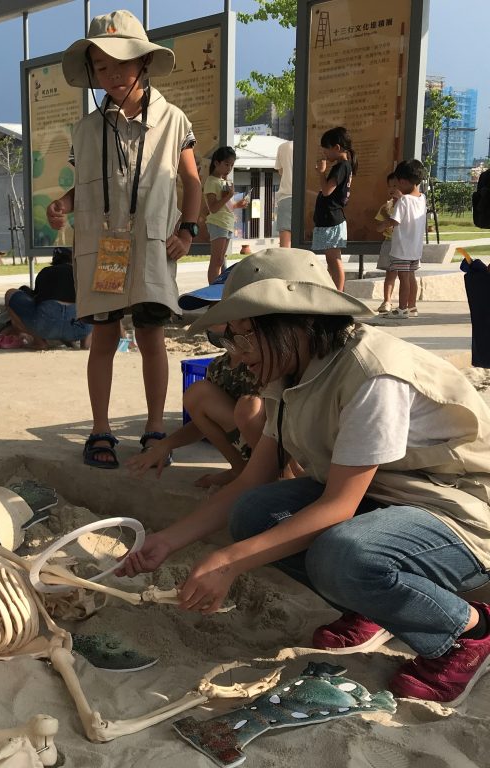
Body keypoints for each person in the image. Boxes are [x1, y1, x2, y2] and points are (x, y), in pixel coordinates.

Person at [119, 247, 490, 707]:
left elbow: (338, 507)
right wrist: (168, 540)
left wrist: (229, 563)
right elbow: (253, 480)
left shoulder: (371, 372)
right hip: (382, 497)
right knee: (256, 514)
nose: (236, 358)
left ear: (291, 324)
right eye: (229, 341)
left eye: (243, 338)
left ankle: (467, 632)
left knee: (344, 553)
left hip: (455, 507)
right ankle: (369, 607)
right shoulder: (291, 371)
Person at [46, 9, 201, 469]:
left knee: (152, 335)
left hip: (153, 244)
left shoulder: (174, 120)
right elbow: (89, 182)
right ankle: (100, 428)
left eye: (121, 62)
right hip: (103, 246)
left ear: (144, 63)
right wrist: (65, 204)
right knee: (104, 337)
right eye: (101, 66)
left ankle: (155, 428)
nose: (112, 74)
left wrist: (187, 230)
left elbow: (191, 181)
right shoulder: (88, 128)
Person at [126, 266, 263, 487]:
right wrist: (165, 445)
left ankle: (266, 474)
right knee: (197, 394)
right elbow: (205, 421)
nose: (212, 317)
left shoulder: (268, 360)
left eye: (221, 309)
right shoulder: (220, 366)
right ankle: (241, 470)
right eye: (212, 309)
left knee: (250, 408)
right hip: (251, 450)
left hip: (278, 451)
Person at [0, 247, 91, 350]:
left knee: (10, 293)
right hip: (79, 329)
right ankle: (85, 344)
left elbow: (36, 300)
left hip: (45, 326)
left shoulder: (46, 271)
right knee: (93, 305)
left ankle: (40, 342)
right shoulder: (82, 274)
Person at [380, 160, 427, 319]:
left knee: (403, 278)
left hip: (402, 248)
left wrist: (382, 225)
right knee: (411, 277)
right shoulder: (422, 198)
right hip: (415, 248)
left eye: (397, 182)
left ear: (404, 181)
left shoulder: (404, 200)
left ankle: (401, 309)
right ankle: (412, 307)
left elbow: (395, 221)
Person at [312, 126, 357, 291]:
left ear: (336, 148)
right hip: (330, 218)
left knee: (333, 259)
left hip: (332, 218)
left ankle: (339, 291)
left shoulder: (341, 167)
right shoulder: (344, 166)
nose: (325, 154)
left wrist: (321, 173)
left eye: (326, 150)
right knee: (331, 259)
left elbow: (327, 190)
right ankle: (335, 290)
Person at [203, 146, 247, 284]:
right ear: (216, 163)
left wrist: (236, 205)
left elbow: (225, 206)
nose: (229, 168)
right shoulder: (211, 181)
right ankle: (212, 291)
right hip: (218, 223)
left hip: (226, 223)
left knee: (221, 259)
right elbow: (213, 208)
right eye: (226, 164)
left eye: (232, 165)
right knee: (217, 260)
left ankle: (219, 289)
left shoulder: (223, 181)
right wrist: (230, 196)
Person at [374, 172, 402, 313]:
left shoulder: (406, 205)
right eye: (390, 186)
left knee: (406, 275)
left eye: (396, 185)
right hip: (389, 243)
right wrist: (387, 221)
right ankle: (387, 301)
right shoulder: (386, 207)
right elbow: (378, 227)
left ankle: (408, 304)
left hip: (403, 244)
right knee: (390, 274)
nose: (392, 189)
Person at [274, 139, 293, 248]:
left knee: (285, 244)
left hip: (286, 195)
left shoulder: (283, 147)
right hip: (307, 196)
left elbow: (280, 171)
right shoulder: (312, 145)